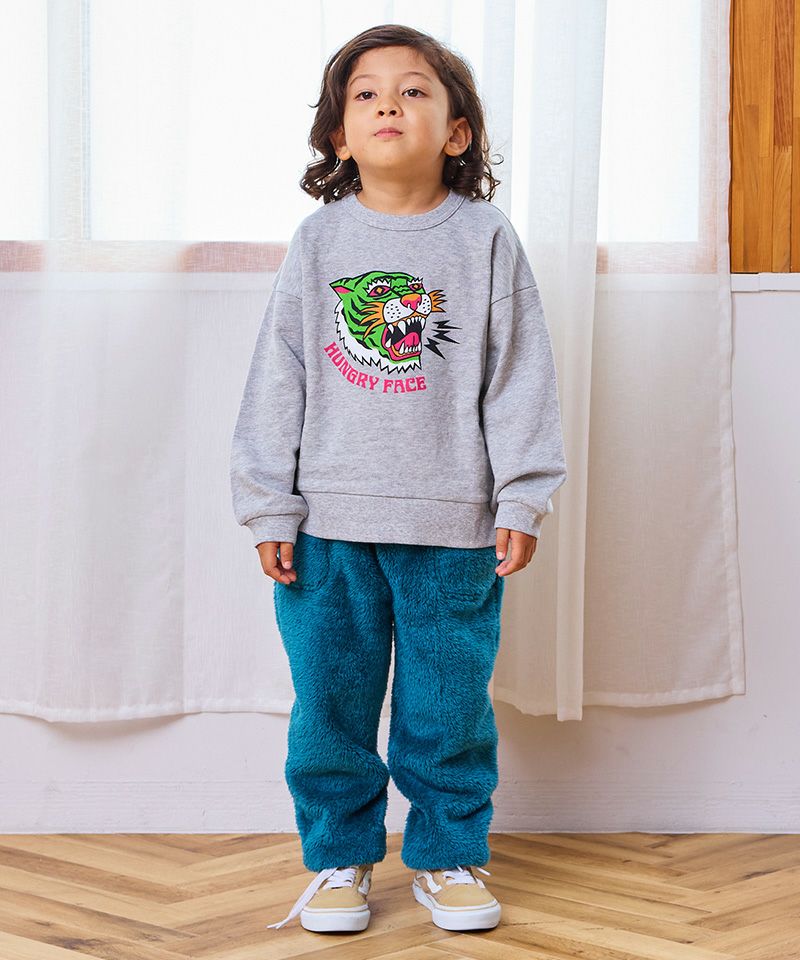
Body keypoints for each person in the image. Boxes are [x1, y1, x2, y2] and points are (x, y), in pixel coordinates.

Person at [230, 22, 567, 935]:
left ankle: (449, 853)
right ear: (339, 135)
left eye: (414, 90)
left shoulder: (486, 239)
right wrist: (268, 506)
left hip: (454, 528)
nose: (389, 104)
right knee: (330, 705)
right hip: (327, 527)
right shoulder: (318, 241)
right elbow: (279, 377)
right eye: (366, 93)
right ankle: (339, 857)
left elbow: (520, 376)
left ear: (457, 131)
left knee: (447, 708)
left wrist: (523, 494)